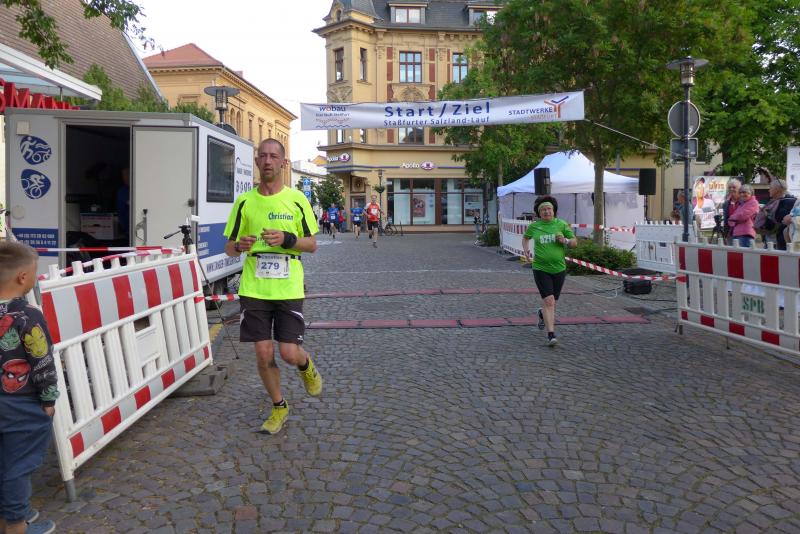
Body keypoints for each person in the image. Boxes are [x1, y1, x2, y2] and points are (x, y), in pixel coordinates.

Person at [223, 139, 322, 435]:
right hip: (254, 288)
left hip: (288, 287)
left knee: (289, 353)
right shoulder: (244, 202)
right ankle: (279, 406)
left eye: (273, 156)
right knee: (263, 354)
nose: (267, 161)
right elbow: (229, 247)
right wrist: (240, 245)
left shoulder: (297, 199)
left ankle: (306, 366)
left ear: (283, 163)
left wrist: (287, 240)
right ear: (257, 161)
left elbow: (312, 244)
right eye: (263, 156)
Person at [0, 242, 59, 534]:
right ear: (23, 277)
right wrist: (49, 400)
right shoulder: (28, 315)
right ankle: (16, 526)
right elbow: (41, 361)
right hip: (20, 403)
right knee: (18, 465)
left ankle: (9, 515)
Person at [521, 196, 576, 347]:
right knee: (549, 301)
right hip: (540, 268)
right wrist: (526, 251)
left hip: (559, 269)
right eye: (543, 210)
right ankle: (551, 334)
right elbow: (525, 238)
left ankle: (541, 314)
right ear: (539, 213)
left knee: (552, 301)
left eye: (549, 209)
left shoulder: (561, 224)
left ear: (554, 211)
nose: (546, 211)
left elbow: (574, 243)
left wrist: (565, 241)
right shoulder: (534, 226)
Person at [721, 179, 741, 244]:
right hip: (730, 233)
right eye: (729, 187)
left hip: (742, 233)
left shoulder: (744, 202)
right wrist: (725, 234)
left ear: (739, 189)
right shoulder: (726, 203)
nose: (731, 189)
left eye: (734, 187)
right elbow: (726, 220)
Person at [116, 167, 130, 238]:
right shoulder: (123, 190)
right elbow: (132, 204)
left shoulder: (135, 188)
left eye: (127, 174)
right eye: (123, 175)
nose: (125, 177)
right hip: (127, 227)